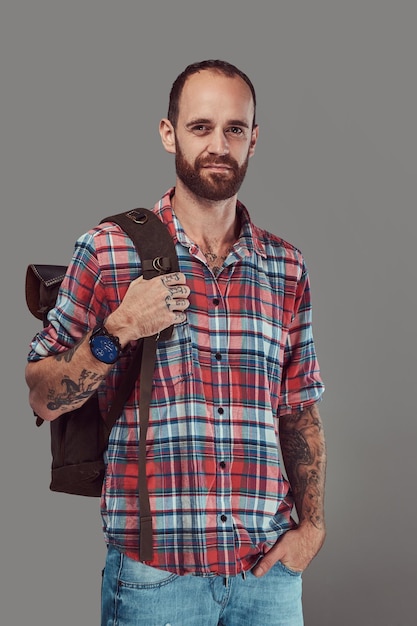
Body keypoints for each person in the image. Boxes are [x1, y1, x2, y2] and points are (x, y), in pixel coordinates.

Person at [25, 59, 326, 626]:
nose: (219, 144)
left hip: (267, 579)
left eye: (235, 129)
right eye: (200, 126)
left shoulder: (286, 266)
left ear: (254, 141)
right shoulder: (110, 250)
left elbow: (299, 409)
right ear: (169, 134)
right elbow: (42, 394)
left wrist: (311, 527)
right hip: (153, 581)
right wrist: (118, 331)